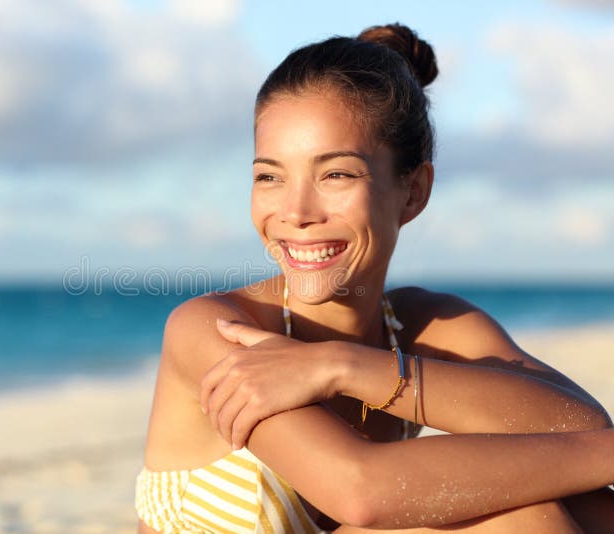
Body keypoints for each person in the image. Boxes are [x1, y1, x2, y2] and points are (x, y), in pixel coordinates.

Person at [136, 23, 614, 533]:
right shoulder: (215, 330)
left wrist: (341, 365)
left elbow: (580, 425)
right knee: (522, 512)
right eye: (269, 176)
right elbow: (360, 491)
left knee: (590, 507)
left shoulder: (419, 324)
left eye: (336, 174)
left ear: (413, 191)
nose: (296, 212)